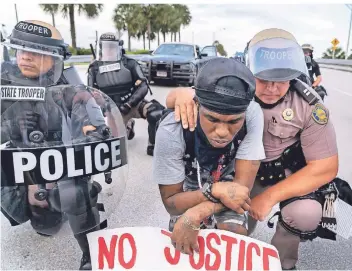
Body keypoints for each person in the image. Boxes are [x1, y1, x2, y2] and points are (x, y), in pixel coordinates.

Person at [165, 29, 340, 270]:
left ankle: (282, 263)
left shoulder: (309, 106)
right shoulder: (235, 87)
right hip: (238, 173)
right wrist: (181, 94)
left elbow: (325, 166)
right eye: (263, 79)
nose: (271, 88)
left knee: (305, 213)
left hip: (286, 175)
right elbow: (194, 98)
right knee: (235, 232)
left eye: (281, 80)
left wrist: (268, 198)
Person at [1, 20, 127, 270]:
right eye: (21, 49)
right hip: (21, 170)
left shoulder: (70, 85)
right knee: (44, 224)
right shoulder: (3, 83)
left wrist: (93, 136)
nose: (25, 56)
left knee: (73, 191)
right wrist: (8, 127)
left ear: (55, 58)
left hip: (61, 165)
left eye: (35, 52)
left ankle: (91, 253)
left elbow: (92, 121)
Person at [153, 57, 266, 255]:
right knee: (183, 242)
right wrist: (212, 191)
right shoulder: (171, 128)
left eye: (234, 122)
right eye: (212, 119)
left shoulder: (253, 113)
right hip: (189, 184)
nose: (222, 132)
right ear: (196, 105)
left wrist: (196, 213)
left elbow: (239, 192)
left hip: (229, 181)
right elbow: (171, 203)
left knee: (234, 232)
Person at [87, 32, 165, 156]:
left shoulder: (130, 64)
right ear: (101, 48)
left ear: (118, 47)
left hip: (133, 103)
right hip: (112, 110)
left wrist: (129, 104)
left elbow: (143, 86)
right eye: (106, 47)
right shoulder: (94, 69)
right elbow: (90, 92)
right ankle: (127, 127)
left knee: (156, 113)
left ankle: (153, 145)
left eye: (112, 47)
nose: (109, 50)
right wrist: (102, 106)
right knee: (110, 146)